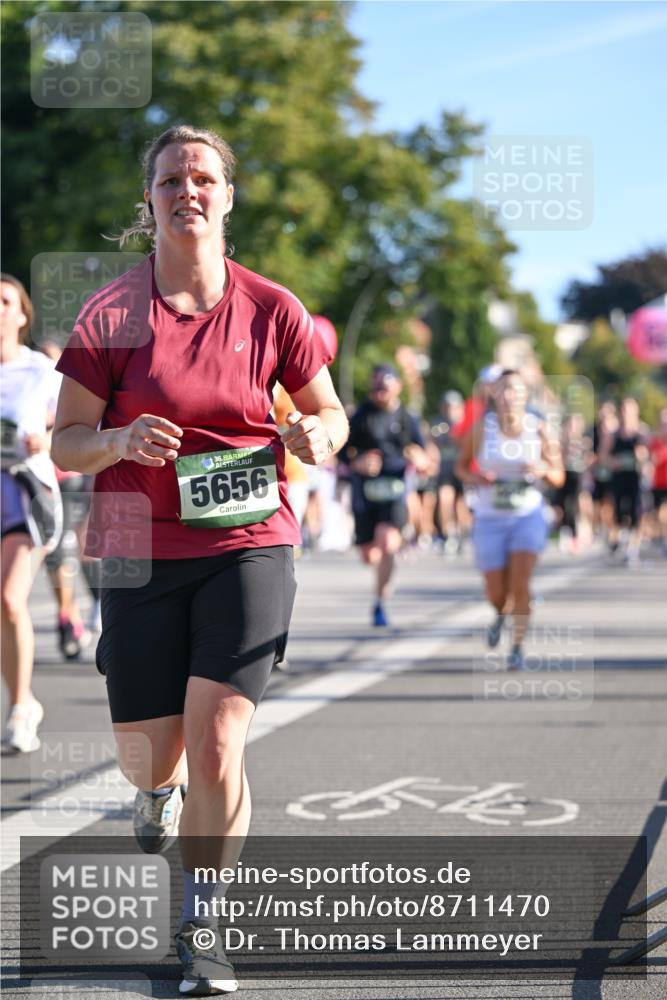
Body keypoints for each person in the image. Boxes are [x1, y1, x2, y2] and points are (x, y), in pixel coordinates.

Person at [51, 124, 348, 996]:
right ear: (148, 202)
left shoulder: (273, 308)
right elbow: (65, 443)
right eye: (172, 179)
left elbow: (329, 415)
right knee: (152, 753)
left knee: (220, 737)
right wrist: (116, 439)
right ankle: (155, 797)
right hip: (138, 551)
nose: (189, 190)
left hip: (248, 541)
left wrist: (312, 436)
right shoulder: (110, 314)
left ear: (227, 197)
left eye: (205, 178)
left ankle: (203, 918)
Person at [455, 369, 564, 670]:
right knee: (496, 592)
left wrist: (542, 470)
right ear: (495, 394)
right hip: (490, 518)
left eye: (515, 390)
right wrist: (477, 476)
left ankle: (516, 646)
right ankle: (500, 615)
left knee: (520, 582)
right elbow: (461, 468)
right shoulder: (481, 429)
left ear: (525, 395)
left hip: (526, 516)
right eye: (503, 389)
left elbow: (559, 475)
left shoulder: (540, 429)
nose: (509, 396)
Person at [1, 274, 62, 752]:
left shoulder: (41, 370)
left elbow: (78, 421)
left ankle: (21, 708)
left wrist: (48, 435)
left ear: (22, 315)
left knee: (9, 599)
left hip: (24, 496)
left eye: (4, 302)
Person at [342, 364, 428, 626]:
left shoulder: (407, 418)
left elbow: (424, 454)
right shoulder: (361, 416)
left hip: (395, 489)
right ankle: (379, 573)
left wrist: (419, 458)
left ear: (397, 387)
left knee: (388, 541)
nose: (380, 391)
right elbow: (343, 452)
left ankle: (380, 602)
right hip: (365, 491)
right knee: (370, 555)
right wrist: (357, 463)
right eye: (376, 387)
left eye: (385, 386)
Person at [602, 396, 648, 566]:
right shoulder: (613, 434)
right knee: (619, 513)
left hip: (635, 478)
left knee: (636, 513)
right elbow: (603, 456)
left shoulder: (642, 432)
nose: (626, 414)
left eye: (629, 410)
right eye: (623, 410)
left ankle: (633, 550)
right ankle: (620, 541)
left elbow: (649, 456)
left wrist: (642, 456)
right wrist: (612, 461)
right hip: (618, 478)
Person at [431, 390, 470, 555]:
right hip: (445, 470)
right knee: (444, 499)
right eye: (447, 407)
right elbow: (432, 445)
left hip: (462, 470)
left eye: (453, 407)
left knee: (462, 505)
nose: (450, 410)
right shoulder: (438, 425)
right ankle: (449, 534)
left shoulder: (467, 425)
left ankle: (462, 534)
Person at [648, 408, 667, 555]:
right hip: (659, 483)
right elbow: (653, 460)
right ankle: (663, 539)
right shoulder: (655, 442)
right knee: (660, 514)